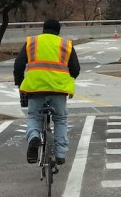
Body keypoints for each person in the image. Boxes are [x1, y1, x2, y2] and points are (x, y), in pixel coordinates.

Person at [14, 18, 80, 165]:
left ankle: (33, 138)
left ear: (43, 29)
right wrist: (66, 80)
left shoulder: (32, 42)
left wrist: (19, 83)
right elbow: (76, 69)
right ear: (58, 31)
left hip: (35, 89)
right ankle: (60, 154)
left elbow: (18, 65)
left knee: (34, 117)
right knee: (60, 119)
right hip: (58, 90)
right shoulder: (65, 44)